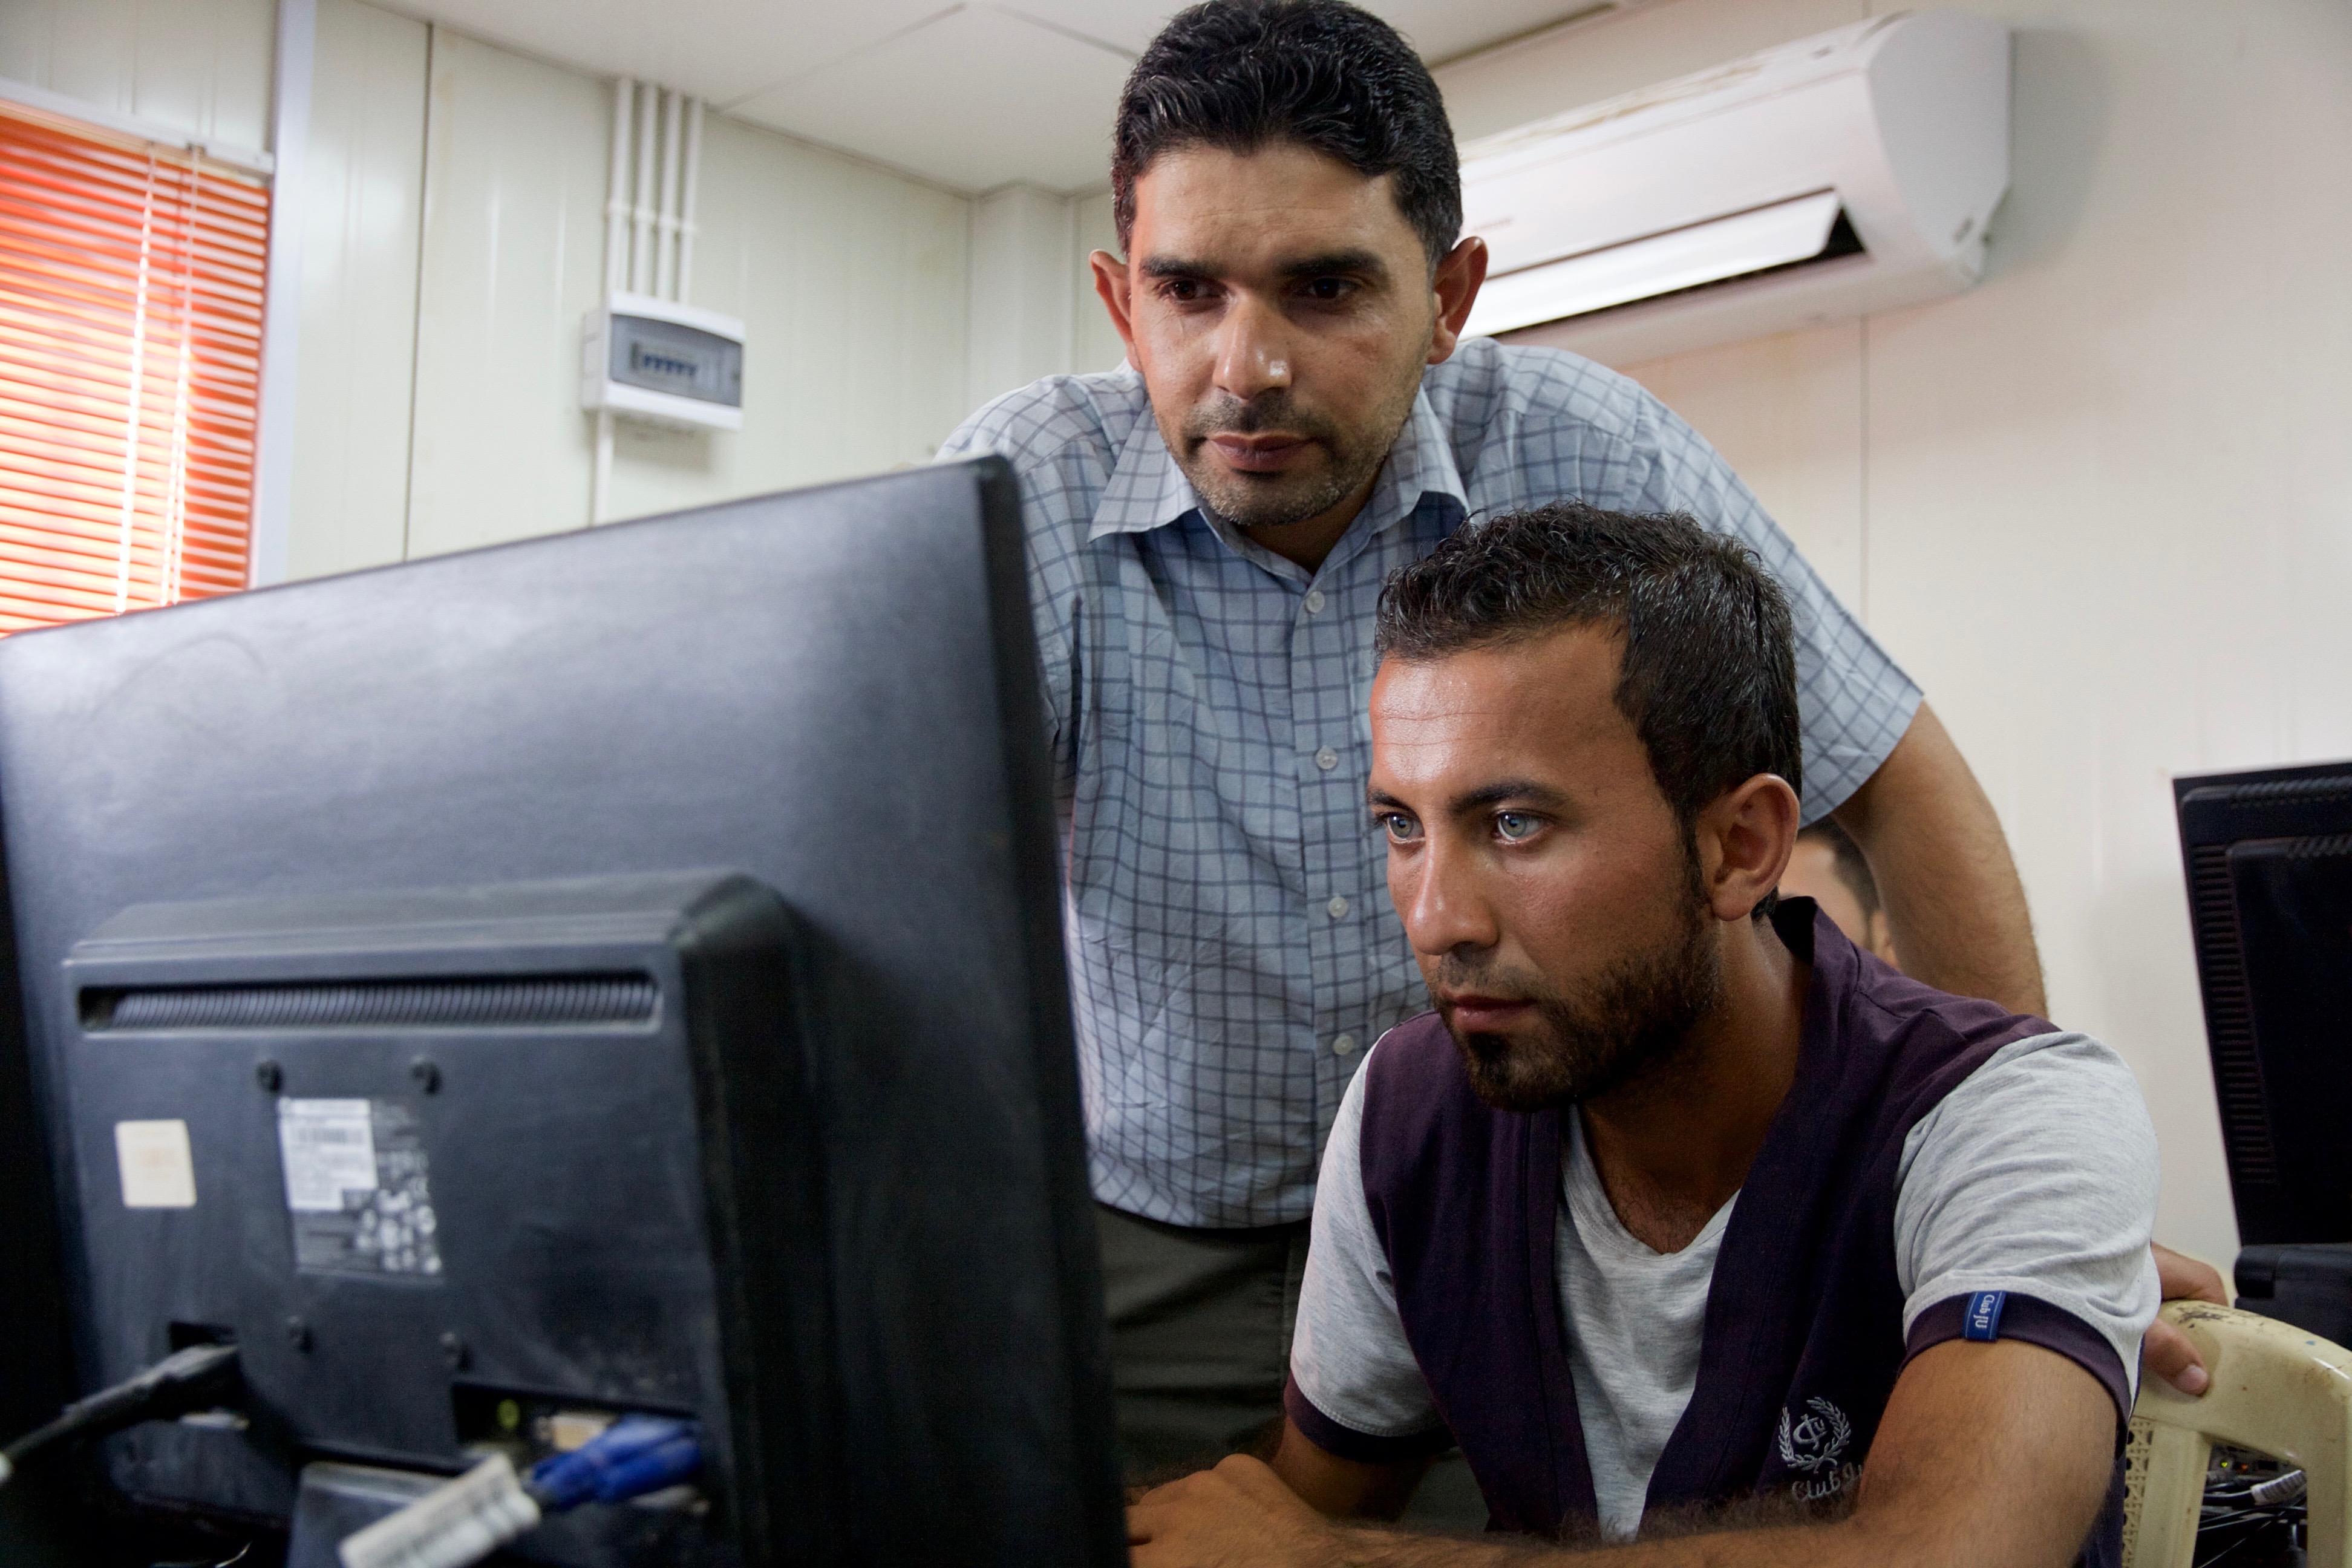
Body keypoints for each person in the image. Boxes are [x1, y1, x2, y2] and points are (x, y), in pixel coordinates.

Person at [938, 0, 2056, 1472]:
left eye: (1325, 288)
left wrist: (2026, 1211)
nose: (1247, 364)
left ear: (1453, 293)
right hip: (1147, 1241)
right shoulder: (1025, 487)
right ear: (1118, 296)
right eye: (1189, 291)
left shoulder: (1590, 453)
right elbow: (879, 911)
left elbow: (1898, 784)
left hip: (1508, 1232)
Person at [1127, 503, 2160, 1565]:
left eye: (1515, 824)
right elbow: (1291, 1515)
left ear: (1739, 847)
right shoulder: (1412, 1113)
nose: (1437, 919)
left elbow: (1950, 1556)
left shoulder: (2011, 1115)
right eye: (1402, 825)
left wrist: (1331, 1564)